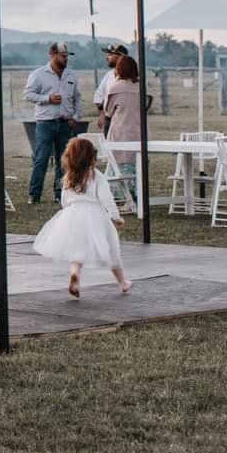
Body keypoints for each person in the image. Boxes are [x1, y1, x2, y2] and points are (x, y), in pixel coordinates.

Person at [31, 137, 130, 298]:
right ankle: (123, 282)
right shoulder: (95, 175)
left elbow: (64, 200)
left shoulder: (69, 176)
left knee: (78, 249)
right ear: (92, 157)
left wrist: (69, 212)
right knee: (111, 249)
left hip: (73, 214)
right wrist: (116, 217)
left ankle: (75, 273)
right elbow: (107, 198)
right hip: (95, 216)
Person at [25, 43, 81, 205]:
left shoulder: (71, 75)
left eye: (67, 56)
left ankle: (60, 193)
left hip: (65, 123)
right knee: (41, 159)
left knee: (63, 161)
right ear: (53, 55)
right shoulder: (38, 74)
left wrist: (76, 116)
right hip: (45, 122)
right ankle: (34, 195)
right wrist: (47, 98)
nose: (66, 58)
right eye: (63, 55)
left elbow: (77, 97)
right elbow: (28, 94)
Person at [98, 52, 146, 199]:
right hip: (139, 132)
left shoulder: (115, 88)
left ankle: (117, 195)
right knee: (136, 165)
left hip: (120, 132)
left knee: (117, 166)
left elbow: (108, 111)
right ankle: (136, 193)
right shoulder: (141, 88)